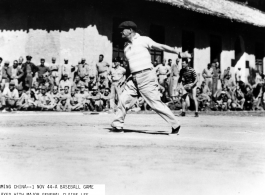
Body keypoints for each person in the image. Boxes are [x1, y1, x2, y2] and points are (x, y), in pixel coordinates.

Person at [111, 21, 183, 134]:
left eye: (123, 29)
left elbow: (161, 46)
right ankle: (117, 124)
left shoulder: (143, 40)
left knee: (154, 103)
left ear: (130, 30)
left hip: (146, 76)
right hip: (133, 78)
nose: (121, 31)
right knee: (123, 98)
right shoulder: (126, 46)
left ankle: (175, 124)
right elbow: (132, 64)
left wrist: (177, 52)